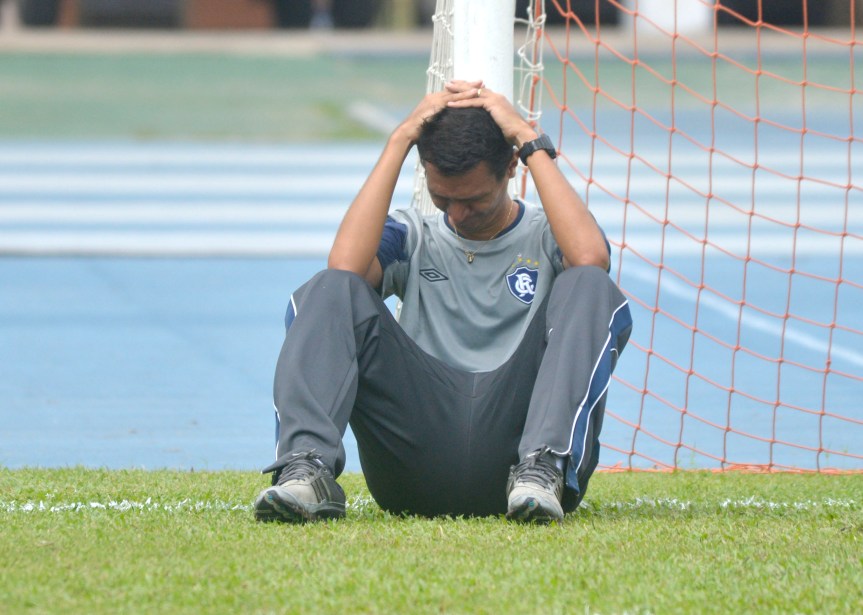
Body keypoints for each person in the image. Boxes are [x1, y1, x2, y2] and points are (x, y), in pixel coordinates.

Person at [253, 80, 632, 523]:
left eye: (473, 200)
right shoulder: (413, 234)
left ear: (511, 167)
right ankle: (306, 469)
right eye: (442, 198)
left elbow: (591, 258)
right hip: (414, 457)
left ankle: (545, 464)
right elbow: (345, 272)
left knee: (588, 284)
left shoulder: (548, 234)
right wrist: (401, 139)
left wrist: (529, 139)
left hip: (519, 452)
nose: (456, 213)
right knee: (328, 287)